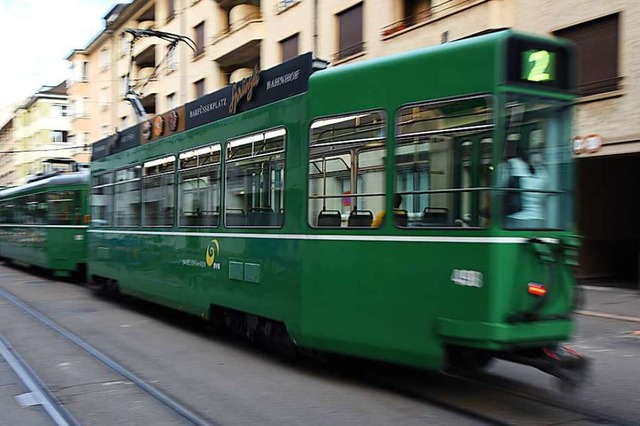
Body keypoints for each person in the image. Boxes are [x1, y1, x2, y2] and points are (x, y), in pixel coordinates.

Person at [501, 141, 549, 228]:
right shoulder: (542, 170)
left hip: (516, 219)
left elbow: (497, 191)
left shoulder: (508, 166)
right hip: (539, 218)